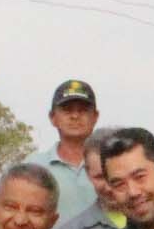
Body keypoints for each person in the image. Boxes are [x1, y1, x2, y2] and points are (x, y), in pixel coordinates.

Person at [27, 78, 104, 219]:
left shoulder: (112, 164)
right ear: (52, 117)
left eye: (83, 110)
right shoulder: (33, 166)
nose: (75, 116)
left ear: (95, 117)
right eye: (67, 110)